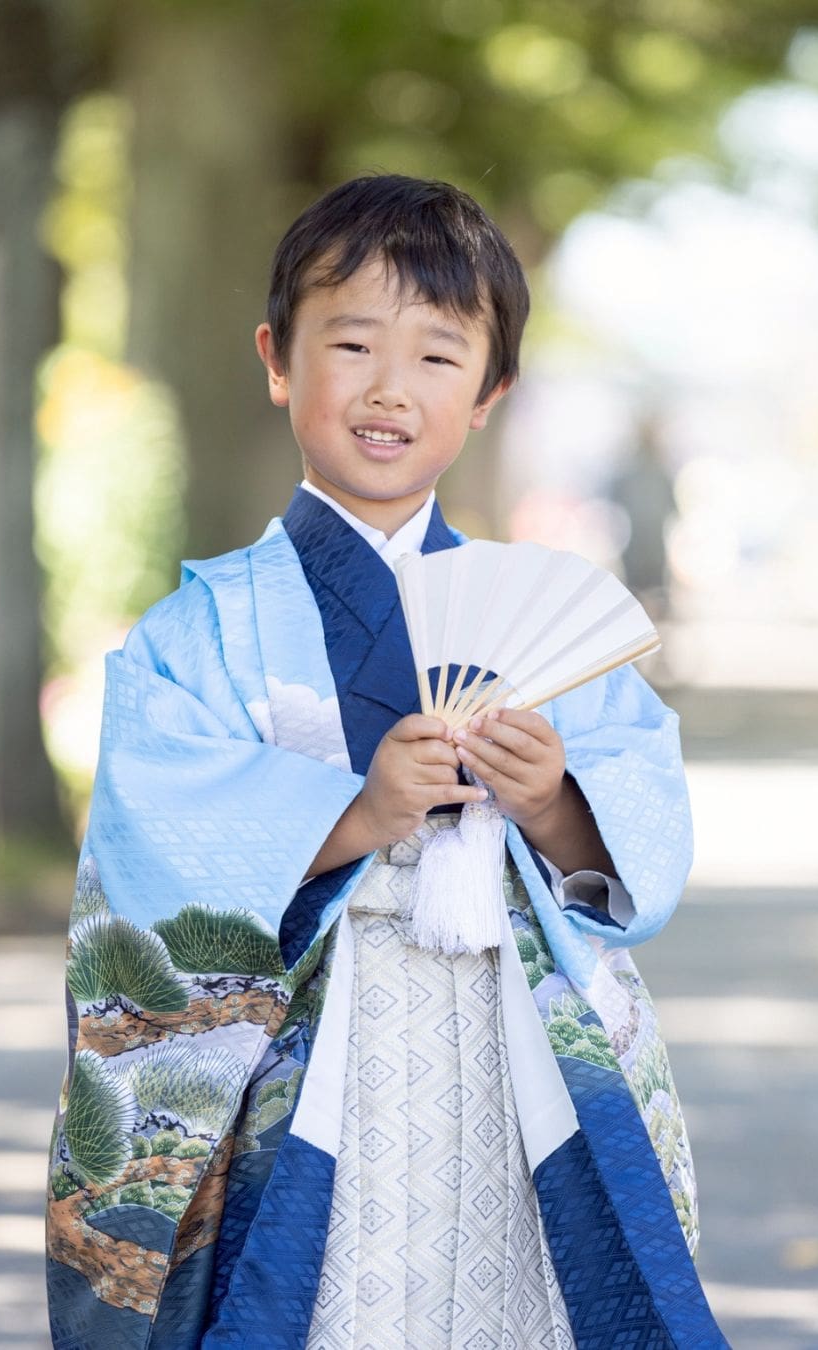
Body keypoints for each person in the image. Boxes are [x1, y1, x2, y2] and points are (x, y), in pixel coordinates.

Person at [46, 175, 727, 1350]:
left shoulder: (549, 621)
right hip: (316, 1064)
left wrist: (554, 799)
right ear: (277, 358)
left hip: (508, 1049)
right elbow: (150, 842)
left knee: (513, 1300)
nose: (388, 389)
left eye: (437, 357)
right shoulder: (197, 632)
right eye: (351, 343)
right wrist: (356, 814)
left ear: (490, 394)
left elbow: (640, 825)